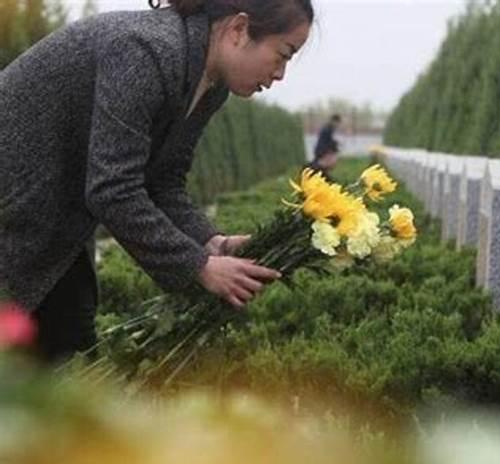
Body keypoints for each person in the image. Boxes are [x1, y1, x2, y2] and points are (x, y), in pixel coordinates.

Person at [0, 0, 314, 362]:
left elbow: (162, 182)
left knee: (69, 352)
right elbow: (113, 189)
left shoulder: (209, 85)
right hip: (18, 208)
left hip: (55, 219)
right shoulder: (147, 50)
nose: (281, 75)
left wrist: (212, 243)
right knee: (51, 359)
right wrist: (198, 266)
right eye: (284, 54)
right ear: (239, 30)